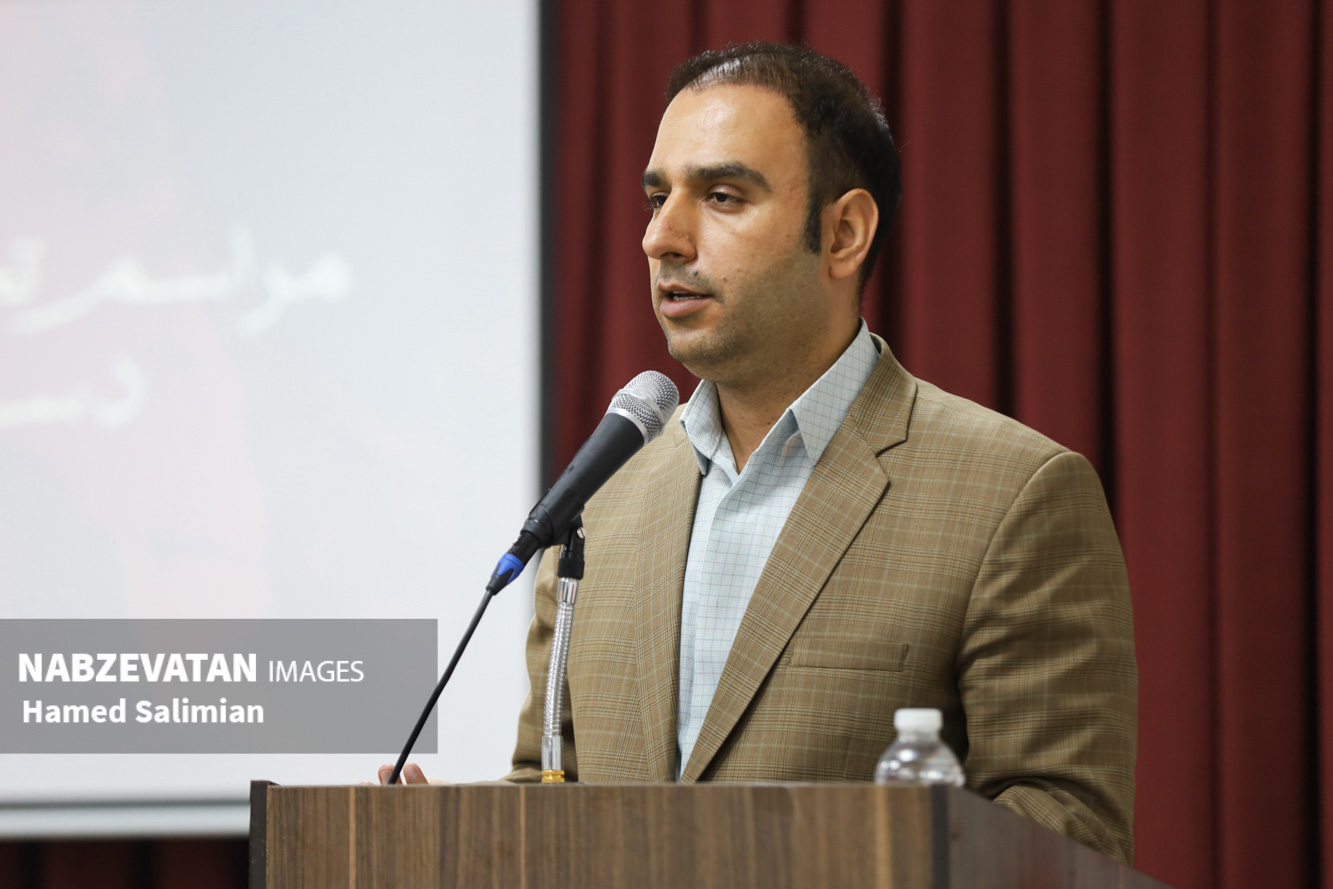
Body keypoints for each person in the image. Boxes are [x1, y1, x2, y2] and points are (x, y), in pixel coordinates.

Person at [384, 42, 1137, 866]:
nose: (661, 238)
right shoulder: (598, 501)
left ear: (842, 233)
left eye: (721, 196)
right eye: (657, 197)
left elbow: (1065, 832)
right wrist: (451, 840)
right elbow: (550, 784)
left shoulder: (1014, 495)